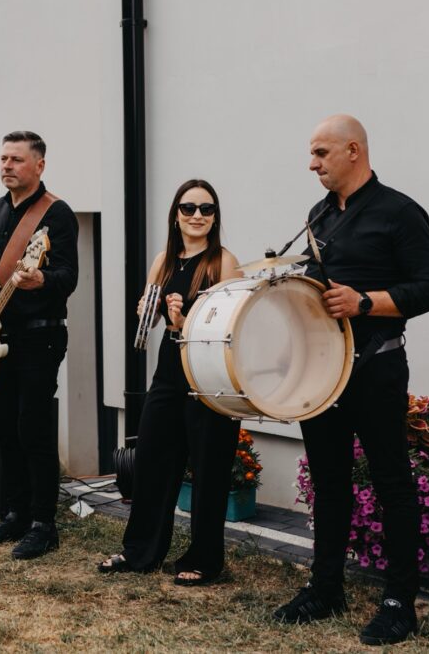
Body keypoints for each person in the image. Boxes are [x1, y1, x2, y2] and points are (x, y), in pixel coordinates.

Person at [271, 115, 429, 646]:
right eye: (311, 153)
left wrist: (366, 302)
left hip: (377, 368)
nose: (312, 164)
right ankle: (326, 588)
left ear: (354, 150)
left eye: (322, 153)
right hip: (323, 373)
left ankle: (399, 603)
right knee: (328, 483)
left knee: (392, 483)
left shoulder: (400, 211)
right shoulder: (319, 214)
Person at [97, 179, 242, 586]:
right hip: (169, 371)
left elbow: (230, 325)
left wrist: (185, 321)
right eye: (189, 207)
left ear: (215, 217)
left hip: (210, 375)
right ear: (175, 215)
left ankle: (205, 559)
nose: (198, 215)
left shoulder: (223, 262)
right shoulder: (164, 259)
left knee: (210, 469)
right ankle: (141, 551)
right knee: (152, 462)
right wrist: (150, 310)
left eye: (207, 209)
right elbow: (152, 321)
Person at [0, 131, 78, 559]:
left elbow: (69, 277)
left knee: (33, 428)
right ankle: (16, 513)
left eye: (16, 160)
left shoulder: (57, 215)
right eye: (3, 158)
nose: (6, 165)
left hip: (39, 337)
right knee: (5, 428)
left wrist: (40, 278)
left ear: (39, 165)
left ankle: (45, 523)